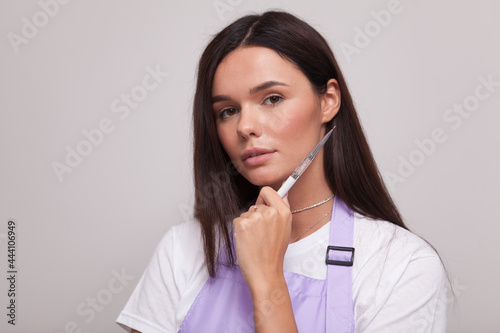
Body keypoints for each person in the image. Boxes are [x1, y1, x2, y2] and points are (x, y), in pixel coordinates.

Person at [116, 10, 448, 333]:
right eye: (228, 111)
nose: (245, 126)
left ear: (329, 101)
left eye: (272, 98)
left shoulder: (401, 265)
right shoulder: (183, 249)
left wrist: (267, 281)